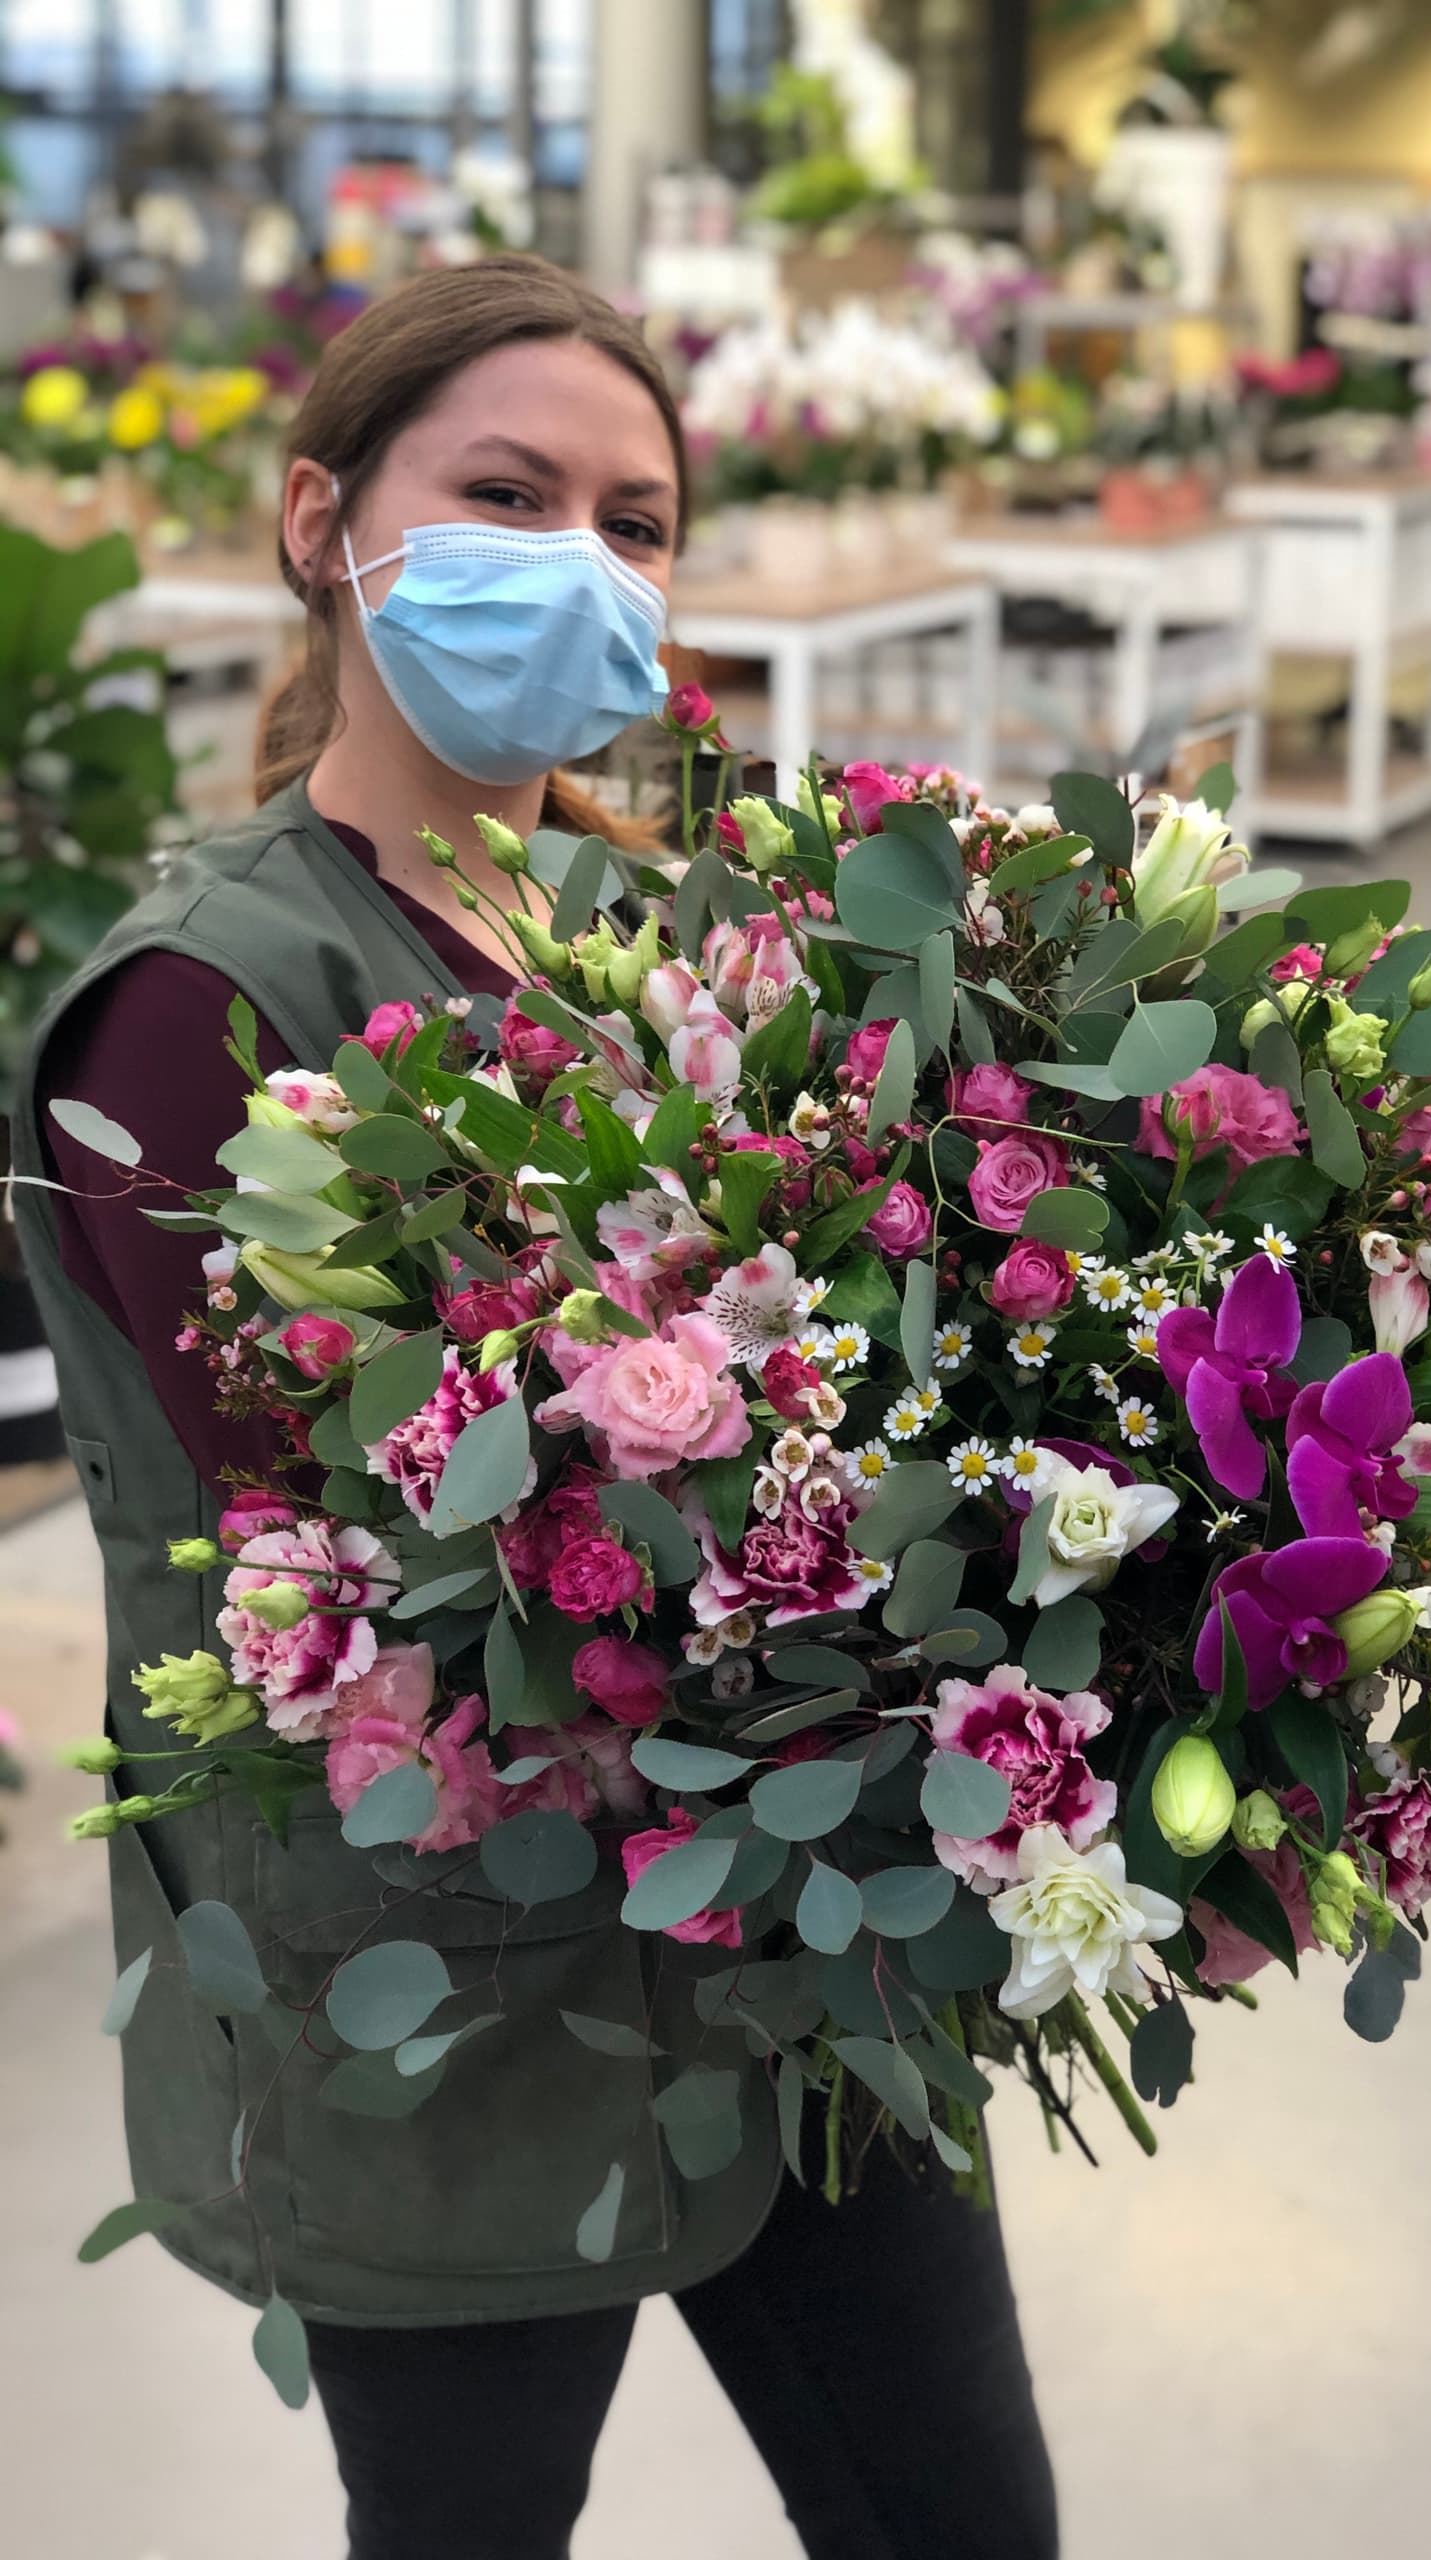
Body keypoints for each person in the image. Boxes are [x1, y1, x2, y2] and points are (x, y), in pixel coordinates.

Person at [13, 256, 1056, 2560]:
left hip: (797, 1926)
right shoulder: (204, 1000)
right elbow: (358, 1544)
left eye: (636, 516)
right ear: (323, 523)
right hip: (457, 1999)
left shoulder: (654, 925)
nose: (579, 559)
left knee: (960, 2511)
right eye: (505, 491)